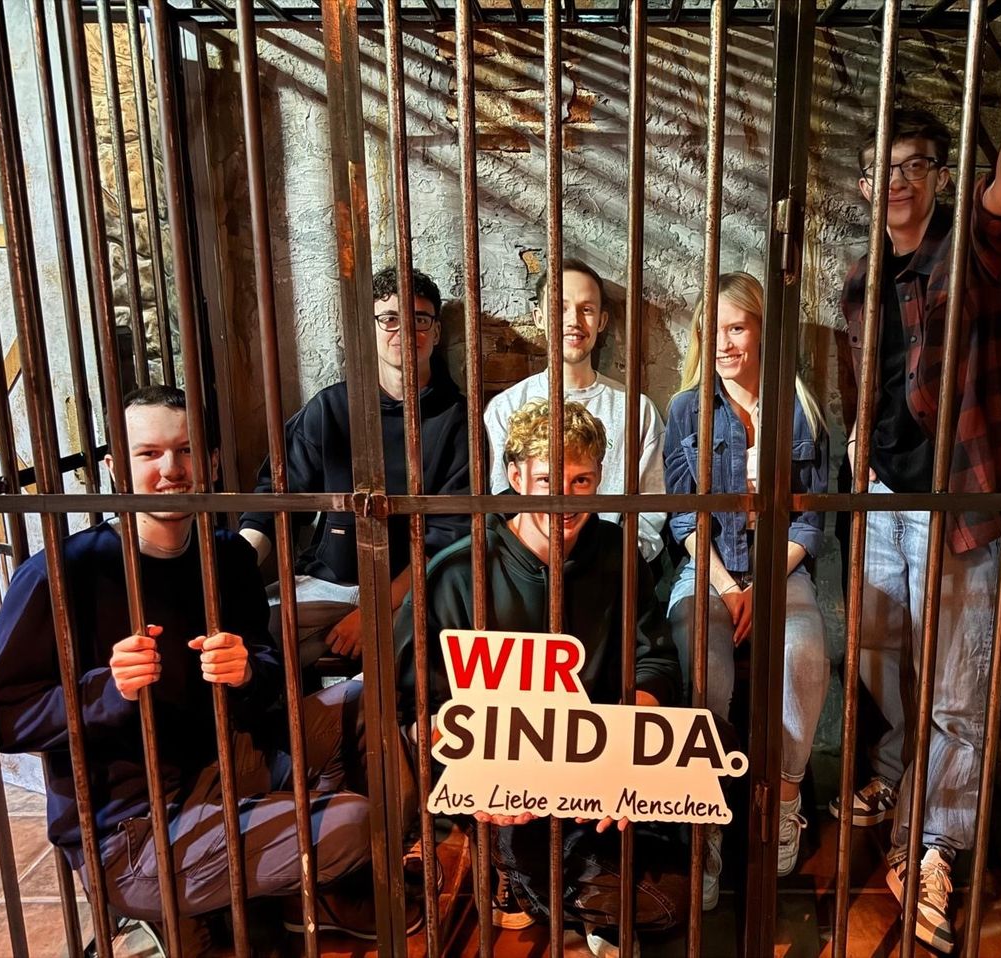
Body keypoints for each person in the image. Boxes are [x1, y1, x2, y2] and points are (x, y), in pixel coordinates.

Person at [834, 1, 1001, 951]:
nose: (898, 182)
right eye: (883, 168)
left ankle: (933, 849)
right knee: (884, 669)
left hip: (961, 511)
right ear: (865, 185)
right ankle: (902, 778)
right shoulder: (860, 280)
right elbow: (863, 386)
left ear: (937, 177)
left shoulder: (969, 254)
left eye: (915, 166)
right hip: (885, 505)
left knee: (957, 693)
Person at [0, 386, 383, 954]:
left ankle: (297, 896)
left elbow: (265, 678)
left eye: (187, 450)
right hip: (131, 824)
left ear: (210, 461)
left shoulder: (228, 557)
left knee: (375, 707)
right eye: (150, 454)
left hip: (221, 767)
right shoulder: (63, 573)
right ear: (117, 467)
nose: (172, 470)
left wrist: (247, 672)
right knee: (350, 823)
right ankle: (175, 904)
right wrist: (103, 691)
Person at [395, 399, 686, 957]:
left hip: (592, 768)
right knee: (653, 899)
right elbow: (417, 707)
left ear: (601, 479)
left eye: (582, 480)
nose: (565, 499)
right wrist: (477, 782)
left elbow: (655, 662)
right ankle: (514, 872)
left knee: (677, 895)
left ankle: (557, 894)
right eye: (550, 479)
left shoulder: (619, 555)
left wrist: (625, 752)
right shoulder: (458, 571)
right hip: (502, 784)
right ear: (513, 476)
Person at [663, 271, 829, 901]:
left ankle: (785, 800)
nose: (726, 343)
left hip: (780, 570)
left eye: (738, 328)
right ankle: (706, 823)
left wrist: (760, 586)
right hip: (705, 568)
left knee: (804, 654)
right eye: (715, 330)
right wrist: (729, 586)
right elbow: (685, 516)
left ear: (762, 331)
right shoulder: (687, 407)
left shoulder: (798, 408)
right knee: (706, 662)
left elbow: (810, 521)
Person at [240, 267, 471, 668]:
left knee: (423, 656)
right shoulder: (332, 407)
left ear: (435, 332)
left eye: (419, 318)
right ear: (371, 329)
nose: (405, 329)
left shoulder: (458, 421)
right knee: (243, 640)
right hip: (330, 583)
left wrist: (375, 612)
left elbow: (450, 539)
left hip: (416, 590)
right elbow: (275, 498)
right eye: (390, 318)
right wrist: (232, 568)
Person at [484, 258, 668, 563]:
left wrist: (616, 561)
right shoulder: (506, 408)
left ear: (602, 321)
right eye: (561, 307)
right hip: (527, 574)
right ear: (539, 317)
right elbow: (500, 501)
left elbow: (650, 510)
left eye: (586, 309)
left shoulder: (636, 410)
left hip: (609, 575)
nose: (574, 321)